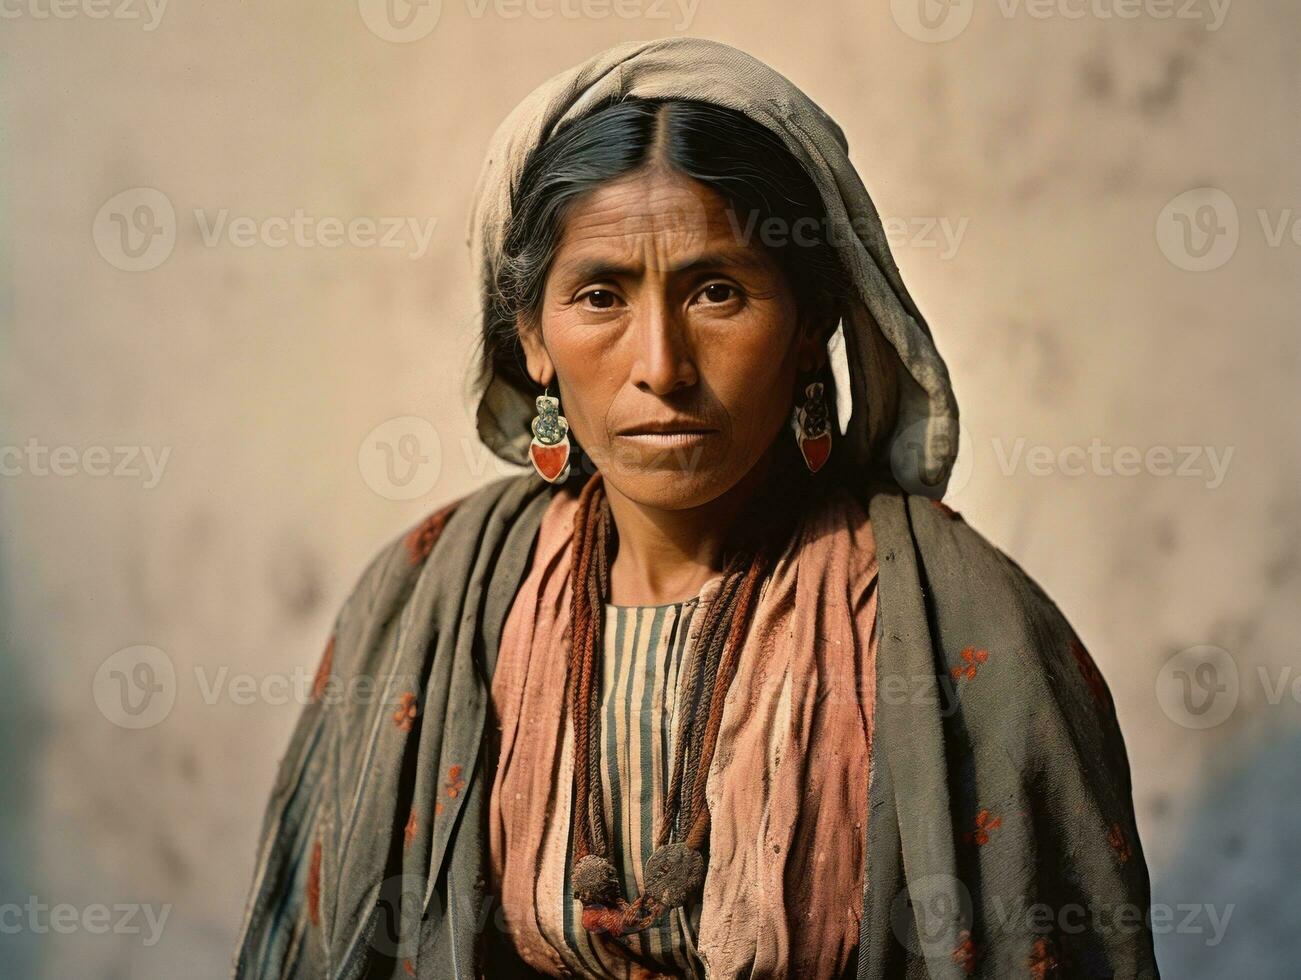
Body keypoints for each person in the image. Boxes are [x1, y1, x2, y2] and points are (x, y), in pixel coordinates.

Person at [234, 38, 1158, 979]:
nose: (662, 367)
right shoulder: (436, 598)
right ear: (532, 339)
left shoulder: (960, 625)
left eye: (718, 292)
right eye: (600, 296)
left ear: (810, 330)